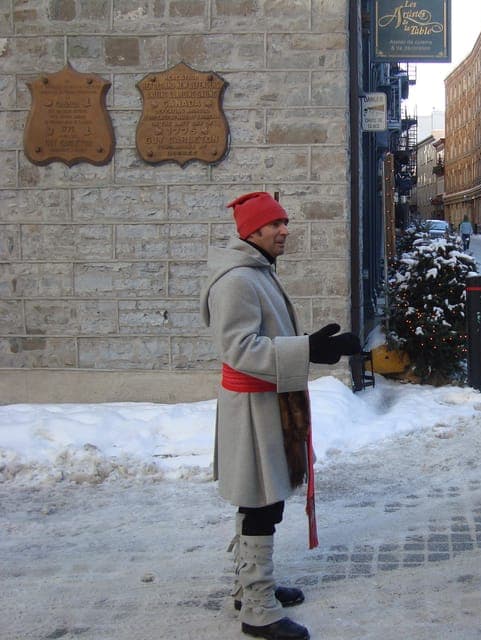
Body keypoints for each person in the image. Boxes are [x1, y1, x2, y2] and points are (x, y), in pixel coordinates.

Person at [200, 192, 360, 640]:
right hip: (252, 406)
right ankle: (258, 610)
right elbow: (239, 348)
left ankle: (249, 587)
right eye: (275, 224)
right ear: (251, 232)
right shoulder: (237, 279)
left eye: (285, 222)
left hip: (266, 403)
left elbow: (263, 338)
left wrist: (309, 346)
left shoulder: (256, 271)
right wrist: (307, 349)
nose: (285, 230)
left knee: (260, 498)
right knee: (260, 503)